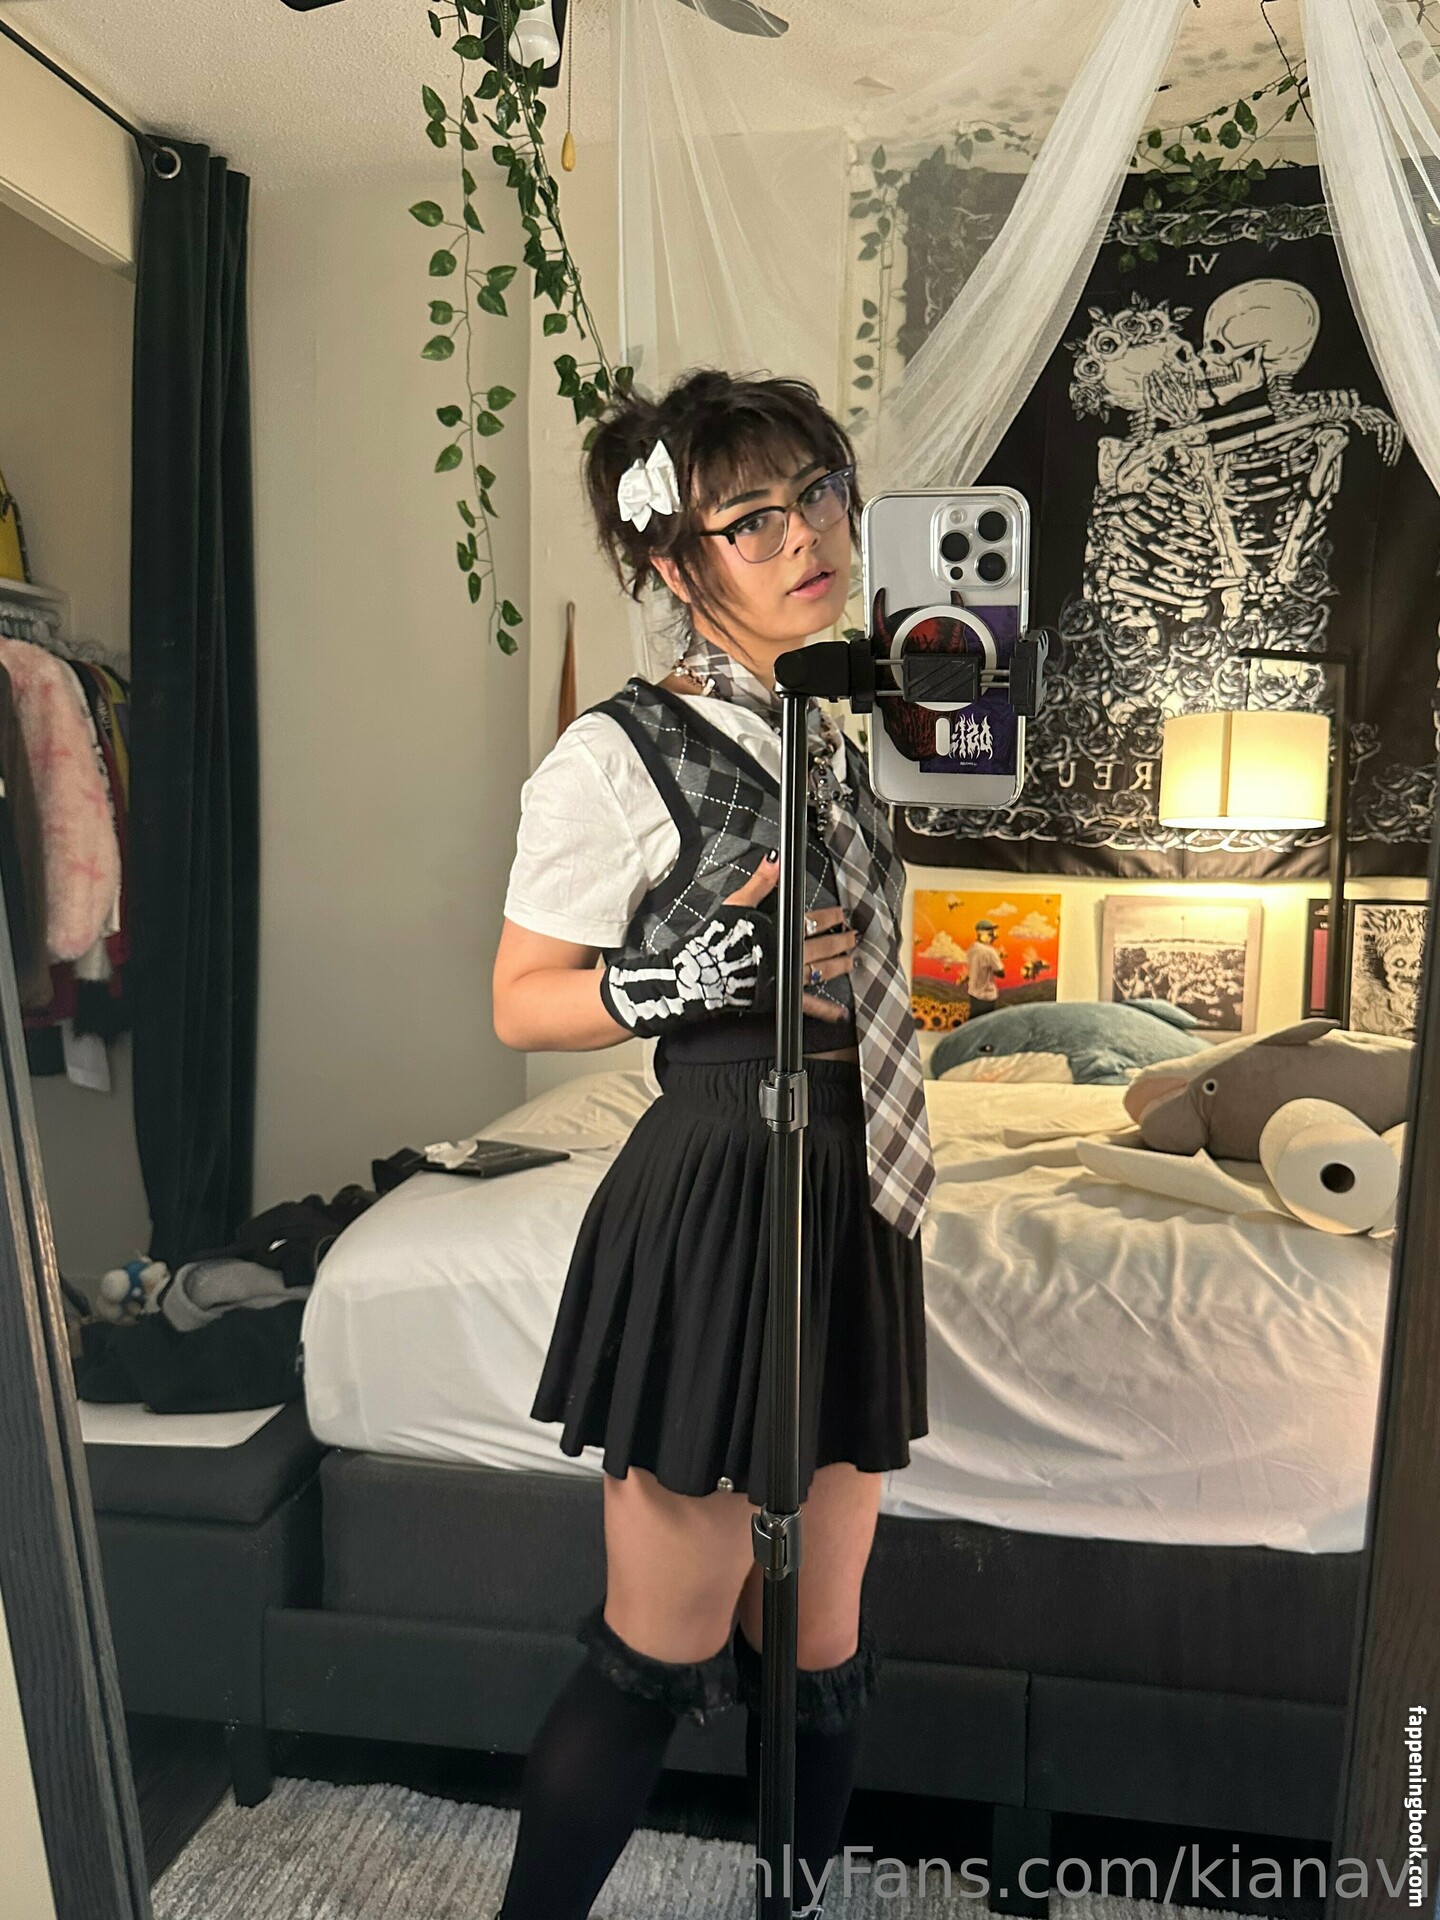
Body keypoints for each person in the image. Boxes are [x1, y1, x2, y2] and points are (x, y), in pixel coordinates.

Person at [490, 368, 935, 1919]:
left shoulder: (855, 718)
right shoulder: (617, 754)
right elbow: (520, 996)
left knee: (818, 1642)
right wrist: (687, 975)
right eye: (752, 519)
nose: (806, 534)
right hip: (722, 1187)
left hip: (853, 1187)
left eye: (818, 493)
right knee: (659, 1645)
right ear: (677, 568)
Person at [964, 918, 1005, 1019]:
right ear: (982, 934)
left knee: (974, 1021)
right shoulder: (990, 952)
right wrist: (997, 959)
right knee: (986, 1022)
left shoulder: (972, 948)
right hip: (986, 995)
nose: (993, 936)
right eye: (990, 934)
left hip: (973, 992)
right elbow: (1001, 973)